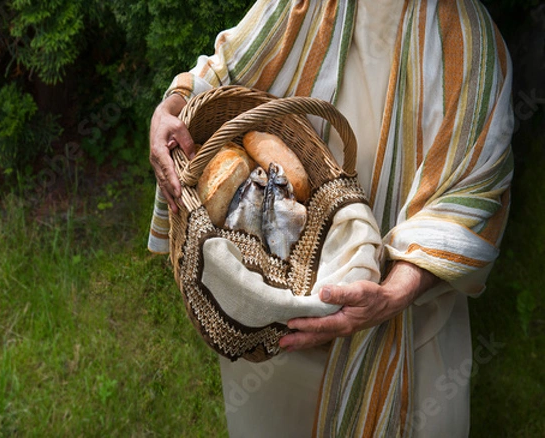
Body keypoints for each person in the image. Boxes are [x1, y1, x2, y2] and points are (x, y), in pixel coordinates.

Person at [148, 0, 514, 436]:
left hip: (408, 334)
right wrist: (171, 106)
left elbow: (474, 192)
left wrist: (393, 293)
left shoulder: (470, 44)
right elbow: (225, 70)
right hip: (281, 330)